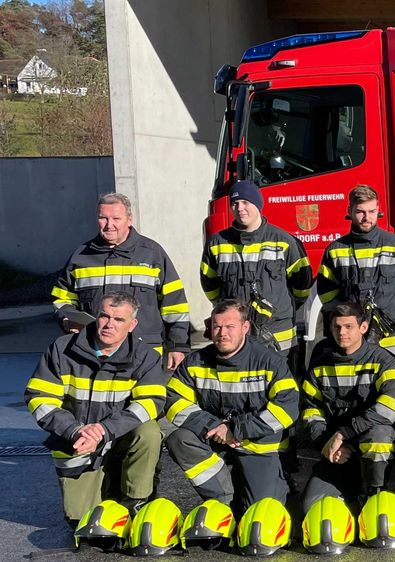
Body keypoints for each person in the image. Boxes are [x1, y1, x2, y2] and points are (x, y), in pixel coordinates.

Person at [26, 292, 165, 528]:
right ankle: (103, 489)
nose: (109, 324)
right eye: (104, 316)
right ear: (96, 317)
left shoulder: (146, 357)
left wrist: (103, 430)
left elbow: (151, 403)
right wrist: (75, 431)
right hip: (77, 441)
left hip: (117, 437)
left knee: (149, 431)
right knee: (83, 522)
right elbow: (39, 399)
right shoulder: (62, 349)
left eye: (119, 320)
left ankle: (135, 499)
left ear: (132, 325)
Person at [164, 299, 299, 512]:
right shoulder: (196, 361)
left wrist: (236, 429)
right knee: (180, 440)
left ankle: (278, 486)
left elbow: (287, 408)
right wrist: (213, 426)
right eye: (216, 326)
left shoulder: (269, 362)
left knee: (259, 514)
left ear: (245, 328)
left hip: (258, 446)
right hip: (216, 438)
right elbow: (173, 400)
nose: (222, 333)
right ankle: (223, 500)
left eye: (230, 327)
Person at [52, 193, 190, 370]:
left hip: (145, 354)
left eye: (116, 218)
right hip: (93, 354)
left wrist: (178, 346)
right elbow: (61, 299)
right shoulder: (81, 257)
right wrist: (67, 320)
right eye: (103, 218)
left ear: (129, 219)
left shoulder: (152, 253)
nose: (109, 225)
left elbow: (175, 305)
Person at [300, 302, 395, 512]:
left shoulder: (383, 361)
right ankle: (350, 493)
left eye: (349, 326)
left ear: (363, 328)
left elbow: (391, 406)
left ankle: (373, 495)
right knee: (310, 508)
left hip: (367, 443)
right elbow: (310, 412)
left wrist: (345, 433)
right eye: (337, 327)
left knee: (380, 436)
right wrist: (325, 443)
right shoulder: (320, 366)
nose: (342, 332)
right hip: (336, 449)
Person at [200, 180, 312, 361]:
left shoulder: (283, 241)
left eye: (245, 202)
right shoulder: (217, 243)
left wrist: (280, 309)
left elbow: (302, 286)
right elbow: (210, 285)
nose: (240, 208)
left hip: (278, 338)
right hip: (237, 337)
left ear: (258, 205)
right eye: (234, 204)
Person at [317, 185, 395, 357]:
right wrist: (346, 318)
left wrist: (393, 310)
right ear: (350, 211)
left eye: (372, 211)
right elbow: (327, 294)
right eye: (360, 212)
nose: (367, 218)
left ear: (378, 210)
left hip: (392, 342)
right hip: (353, 341)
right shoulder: (335, 250)